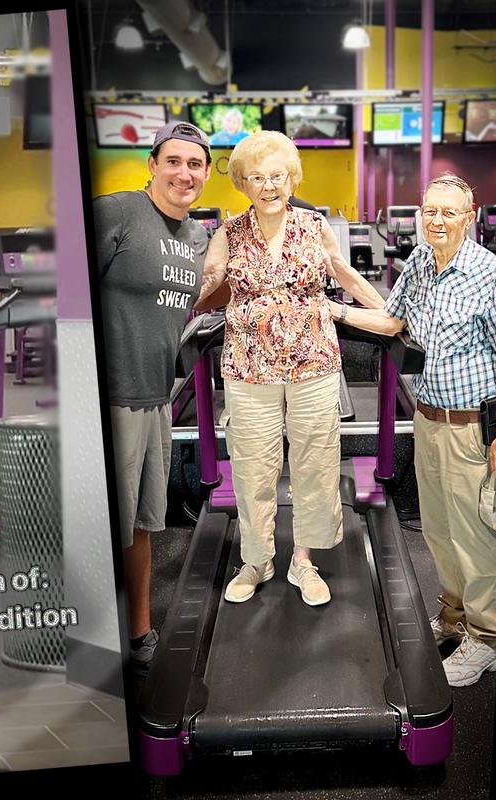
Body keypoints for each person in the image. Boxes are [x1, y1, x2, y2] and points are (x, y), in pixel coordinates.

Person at [324, 172, 496, 687]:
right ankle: (455, 617)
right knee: (437, 529)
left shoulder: (492, 274)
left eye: (448, 212)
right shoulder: (418, 262)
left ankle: (488, 638)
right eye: (430, 210)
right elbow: (391, 322)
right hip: (428, 419)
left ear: (469, 218)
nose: (436, 220)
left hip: (472, 426)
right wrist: (333, 309)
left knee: (477, 534)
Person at [193, 130, 384, 608]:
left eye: (277, 175)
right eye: (256, 177)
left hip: (313, 361)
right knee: (254, 466)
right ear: (242, 183)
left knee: (315, 463)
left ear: (291, 176)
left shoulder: (313, 225)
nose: (268, 185)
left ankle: (303, 559)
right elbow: (206, 284)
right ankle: (256, 560)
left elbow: (342, 272)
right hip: (249, 365)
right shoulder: (228, 233)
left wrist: (388, 312)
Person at [95, 121, 212, 681]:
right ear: (152, 165)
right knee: (105, 525)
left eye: (195, 164)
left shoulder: (195, 237)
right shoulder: (115, 212)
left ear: (207, 175)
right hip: (113, 396)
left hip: (154, 398)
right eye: (174, 161)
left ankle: (139, 631)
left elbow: (202, 300)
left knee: (143, 524)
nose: (184, 173)